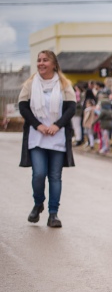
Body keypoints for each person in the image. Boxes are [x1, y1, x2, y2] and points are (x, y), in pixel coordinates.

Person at [17, 50, 77, 228]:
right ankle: (38, 203)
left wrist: (57, 125)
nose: (41, 63)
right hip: (37, 137)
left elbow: (71, 108)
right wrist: (38, 125)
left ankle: (53, 214)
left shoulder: (64, 84)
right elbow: (23, 107)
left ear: (54, 64)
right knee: (39, 174)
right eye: (39, 60)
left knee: (55, 177)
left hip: (57, 138)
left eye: (45, 60)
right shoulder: (30, 83)